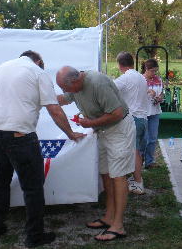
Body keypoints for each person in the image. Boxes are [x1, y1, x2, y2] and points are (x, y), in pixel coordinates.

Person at [0, 51, 85, 248]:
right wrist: (71, 133)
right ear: (38, 61)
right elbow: (54, 109)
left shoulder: (1, 67)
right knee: (32, 188)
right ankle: (34, 236)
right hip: (20, 137)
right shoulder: (37, 72)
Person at [56, 66, 135, 242]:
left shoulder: (98, 83)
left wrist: (91, 122)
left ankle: (118, 226)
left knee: (119, 176)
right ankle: (109, 216)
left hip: (119, 130)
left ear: (76, 81)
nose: (65, 92)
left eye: (66, 88)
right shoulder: (74, 85)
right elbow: (64, 99)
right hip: (103, 131)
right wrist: (43, 100)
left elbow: (117, 113)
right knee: (106, 174)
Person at [114, 52, 148, 195]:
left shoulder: (125, 78)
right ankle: (136, 180)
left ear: (119, 65)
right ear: (132, 63)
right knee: (136, 151)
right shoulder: (141, 77)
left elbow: (108, 89)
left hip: (133, 119)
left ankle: (138, 183)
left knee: (134, 152)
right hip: (142, 118)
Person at [142, 59, 163, 169]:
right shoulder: (140, 79)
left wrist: (160, 97)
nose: (154, 73)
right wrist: (148, 91)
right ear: (146, 69)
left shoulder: (158, 80)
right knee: (143, 138)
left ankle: (149, 162)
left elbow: (162, 93)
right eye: (152, 71)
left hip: (155, 112)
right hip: (143, 112)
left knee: (153, 138)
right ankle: (139, 161)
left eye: (156, 71)